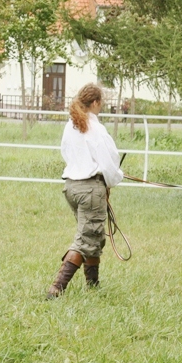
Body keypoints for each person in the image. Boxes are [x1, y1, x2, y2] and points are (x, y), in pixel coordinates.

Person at [47, 83, 124, 299]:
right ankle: (57, 287)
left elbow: (66, 153)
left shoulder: (70, 125)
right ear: (96, 102)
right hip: (90, 188)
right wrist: (114, 178)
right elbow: (108, 161)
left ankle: (93, 284)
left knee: (93, 235)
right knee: (86, 238)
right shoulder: (95, 128)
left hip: (72, 186)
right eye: (102, 103)